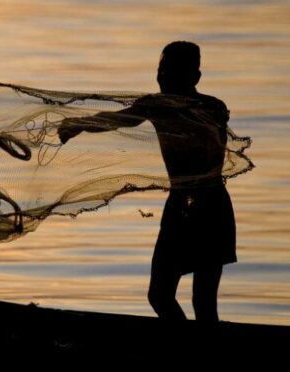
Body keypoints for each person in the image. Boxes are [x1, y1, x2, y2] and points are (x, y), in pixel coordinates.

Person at [57, 41, 235, 323]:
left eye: (171, 72)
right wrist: (78, 125)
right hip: (186, 204)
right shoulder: (173, 106)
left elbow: (208, 149)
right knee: (162, 295)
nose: (163, 79)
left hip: (206, 207)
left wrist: (78, 125)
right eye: (161, 72)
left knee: (201, 301)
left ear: (195, 77)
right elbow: (118, 120)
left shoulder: (206, 108)